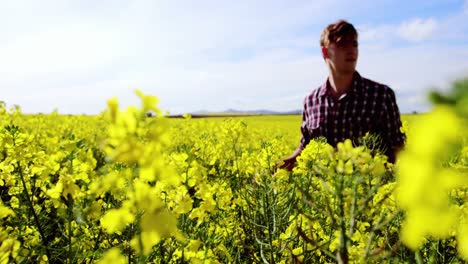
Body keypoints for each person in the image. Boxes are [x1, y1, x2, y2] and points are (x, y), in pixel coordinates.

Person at [279, 19, 406, 171]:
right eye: (342, 44)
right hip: (326, 192)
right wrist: (274, 168)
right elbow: (304, 151)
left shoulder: (381, 95)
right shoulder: (311, 102)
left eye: (354, 44)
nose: (351, 50)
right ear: (325, 52)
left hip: (370, 190)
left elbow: (399, 150)